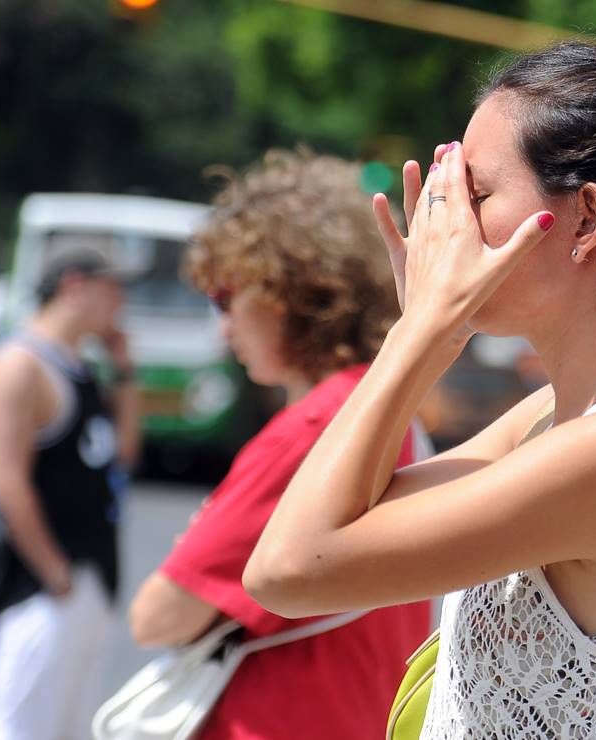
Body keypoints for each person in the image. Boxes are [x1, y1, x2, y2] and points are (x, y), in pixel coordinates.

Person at [243, 43, 596, 737]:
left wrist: (420, 331)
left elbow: (289, 570)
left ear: (587, 219)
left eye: (475, 196)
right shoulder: (553, 418)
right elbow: (353, 513)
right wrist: (433, 329)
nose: (448, 224)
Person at [126, 149, 432, 739]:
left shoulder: (315, 429)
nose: (223, 326)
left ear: (287, 292)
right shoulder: (383, 405)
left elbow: (157, 616)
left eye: (225, 297)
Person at [0, 247, 140, 740]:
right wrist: (54, 573)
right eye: (113, 288)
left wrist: (123, 369)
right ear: (75, 285)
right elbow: (5, 479)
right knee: (16, 725)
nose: (121, 302)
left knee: (71, 725)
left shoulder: (79, 364)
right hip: (41, 584)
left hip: (91, 572)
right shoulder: (20, 364)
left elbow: (123, 451)